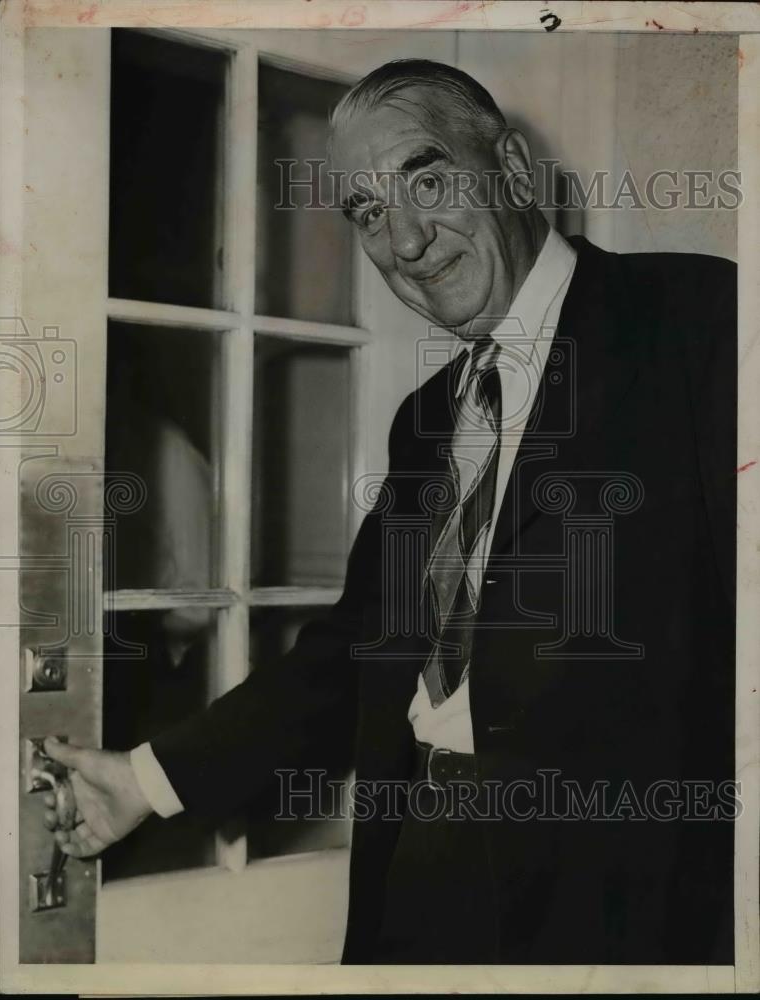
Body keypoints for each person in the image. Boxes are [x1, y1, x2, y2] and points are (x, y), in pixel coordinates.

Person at [43, 59, 736, 965]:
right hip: (418, 872)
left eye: (427, 179)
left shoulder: (701, 320)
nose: (404, 241)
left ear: (515, 170)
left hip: (628, 911)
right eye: (368, 212)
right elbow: (356, 652)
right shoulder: (428, 419)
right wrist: (145, 779)